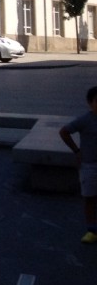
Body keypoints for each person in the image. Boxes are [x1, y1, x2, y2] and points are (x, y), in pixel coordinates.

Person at [59, 85, 97, 243]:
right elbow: (64, 131)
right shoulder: (85, 120)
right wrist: (76, 151)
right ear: (90, 103)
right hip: (89, 165)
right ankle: (92, 230)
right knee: (90, 198)